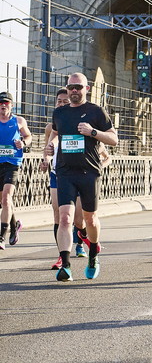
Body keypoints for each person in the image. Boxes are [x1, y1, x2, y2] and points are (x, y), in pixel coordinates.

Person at [44, 73, 118, 281]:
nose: (74, 91)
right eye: (70, 87)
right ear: (67, 89)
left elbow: (114, 139)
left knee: (89, 219)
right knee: (65, 218)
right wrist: (50, 149)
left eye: (78, 87)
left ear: (87, 88)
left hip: (89, 172)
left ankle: (93, 255)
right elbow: (55, 136)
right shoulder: (59, 113)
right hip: (65, 172)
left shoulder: (96, 111)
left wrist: (93, 132)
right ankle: (65, 265)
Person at [41, 89, 72, 268]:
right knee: (58, 213)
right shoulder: (50, 127)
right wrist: (45, 160)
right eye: (59, 101)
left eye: (65, 101)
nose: (61, 104)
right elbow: (47, 149)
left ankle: (82, 239)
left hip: (75, 173)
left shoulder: (77, 123)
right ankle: (62, 255)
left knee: (78, 219)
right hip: (56, 172)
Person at [0, 91, 32, 250]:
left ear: (11, 105)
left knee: (6, 198)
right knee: (4, 202)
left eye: (6, 103)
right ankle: (14, 226)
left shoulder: (18, 120)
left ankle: (1, 237)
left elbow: (28, 136)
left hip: (12, 163)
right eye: (0, 104)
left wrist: (23, 143)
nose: (3, 106)